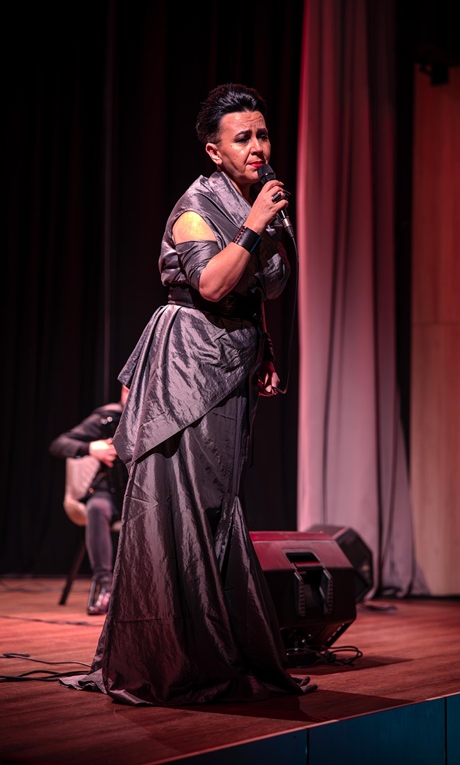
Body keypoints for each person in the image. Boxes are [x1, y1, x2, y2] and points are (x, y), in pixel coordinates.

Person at [60, 82, 315, 706]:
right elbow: (212, 284)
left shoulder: (257, 201)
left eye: (262, 134)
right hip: (189, 365)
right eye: (242, 137)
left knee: (220, 506)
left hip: (230, 362)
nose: (258, 146)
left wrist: (265, 350)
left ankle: (219, 645)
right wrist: (253, 227)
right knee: (188, 507)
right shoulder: (198, 208)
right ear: (214, 150)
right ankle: (176, 653)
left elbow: (253, 292)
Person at [49, 385, 129, 614]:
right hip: (110, 492)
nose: (130, 394)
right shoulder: (108, 418)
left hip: (144, 497)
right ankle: (107, 586)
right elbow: (59, 444)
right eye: (126, 389)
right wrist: (90, 448)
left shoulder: (158, 417)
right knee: (97, 507)